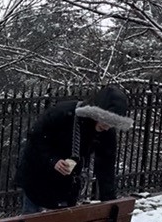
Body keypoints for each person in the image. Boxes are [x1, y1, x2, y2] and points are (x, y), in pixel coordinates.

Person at [14, 85, 133, 213]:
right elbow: (36, 141)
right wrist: (53, 160)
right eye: (106, 121)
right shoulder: (62, 114)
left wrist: (109, 203)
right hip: (37, 175)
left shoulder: (106, 132)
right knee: (31, 219)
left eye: (112, 123)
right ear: (96, 113)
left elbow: (105, 166)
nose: (107, 127)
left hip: (67, 183)